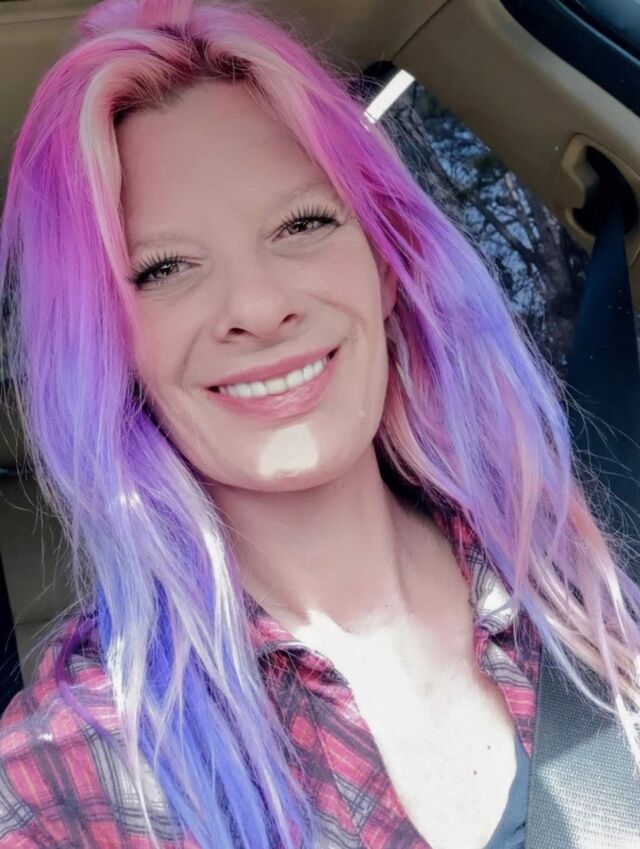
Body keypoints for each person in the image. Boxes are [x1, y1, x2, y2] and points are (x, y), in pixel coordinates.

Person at [0, 0, 638, 847]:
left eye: (302, 223)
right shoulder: (69, 767)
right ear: (108, 347)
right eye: (163, 268)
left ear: (383, 264)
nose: (260, 307)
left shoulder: (574, 572)